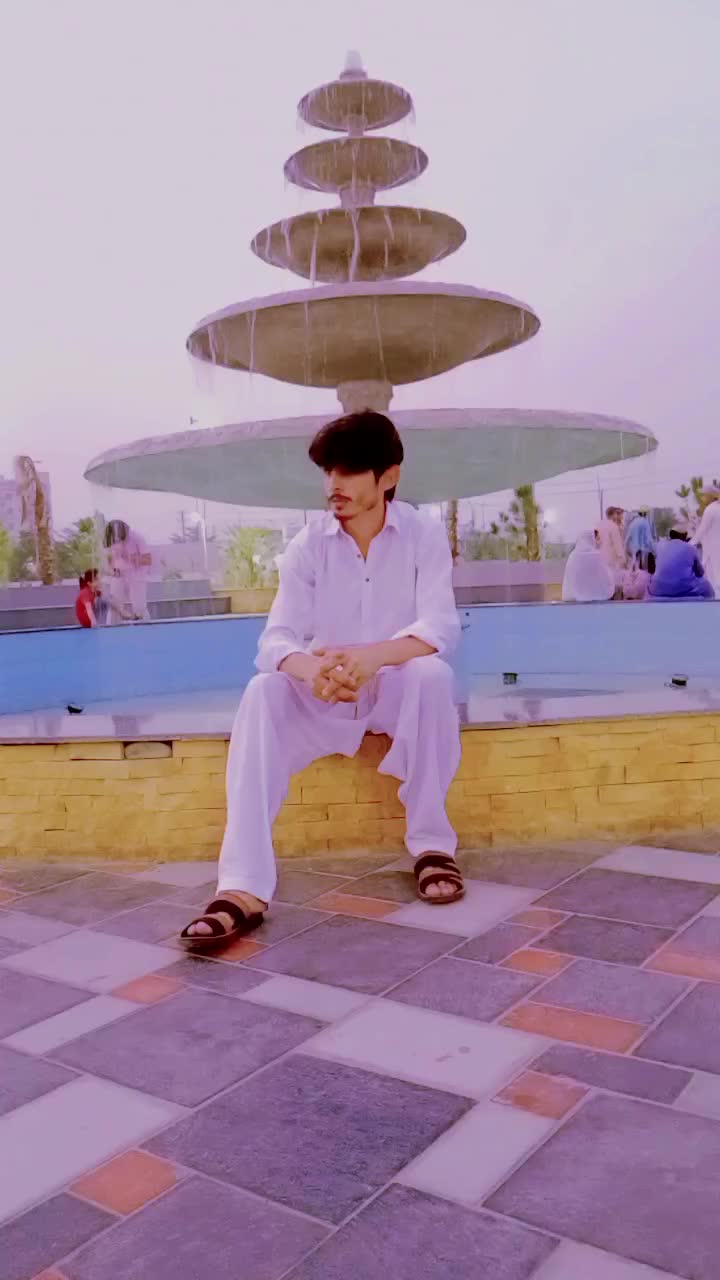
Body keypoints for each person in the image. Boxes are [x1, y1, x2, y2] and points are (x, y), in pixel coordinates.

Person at [181, 410, 465, 950]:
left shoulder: (423, 535)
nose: (334, 484)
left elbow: (440, 628)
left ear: (389, 476)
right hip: (326, 694)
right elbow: (274, 641)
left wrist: (372, 658)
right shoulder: (307, 546)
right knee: (262, 690)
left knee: (432, 675)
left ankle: (432, 847)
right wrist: (312, 671)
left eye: (350, 470)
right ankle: (243, 886)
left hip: (393, 687)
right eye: (329, 471)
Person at [102, 520, 152, 623]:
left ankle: (145, 628)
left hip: (136, 574)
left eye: (118, 540)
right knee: (115, 606)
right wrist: (113, 570)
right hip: (119, 575)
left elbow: (148, 560)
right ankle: (112, 629)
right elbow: (110, 558)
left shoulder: (137, 537)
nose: (116, 542)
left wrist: (132, 558)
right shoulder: (110, 538)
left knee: (139, 607)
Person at [649, 524, 714, 600]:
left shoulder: (660, 546)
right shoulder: (690, 548)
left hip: (657, 589)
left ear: (670, 535)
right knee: (706, 585)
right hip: (682, 589)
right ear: (685, 536)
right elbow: (700, 573)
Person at [562, 529, 615, 602]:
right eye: (597, 539)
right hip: (598, 600)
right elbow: (606, 577)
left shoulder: (573, 556)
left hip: (575, 601)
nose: (599, 542)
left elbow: (569, 580)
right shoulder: (597, 556)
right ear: (591, 539)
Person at [691, 492, 720, 595]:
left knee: (714, 579)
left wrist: (690, 544)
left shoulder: (710, 509)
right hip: (713, 548)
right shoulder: (713, 509)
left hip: (713, 550)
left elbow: (702, 530)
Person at [597, 506, 626, 587]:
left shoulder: (598, 525)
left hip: (600, 557)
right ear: (614, 514)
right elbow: (617, 544)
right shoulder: (613, 526)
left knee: (604, 581)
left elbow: (596, 541)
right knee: (613, 582)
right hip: (612, 559)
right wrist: (622, 558)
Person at [625, 508, 656, 573]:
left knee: (634, 571)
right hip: (643, 552)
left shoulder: (633, 522)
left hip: (633, 551)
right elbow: (649, 539)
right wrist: (654, 551)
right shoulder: (645, 522)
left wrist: (626, 549)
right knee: (643, 573)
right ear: (645, 513)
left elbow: (627, 538)